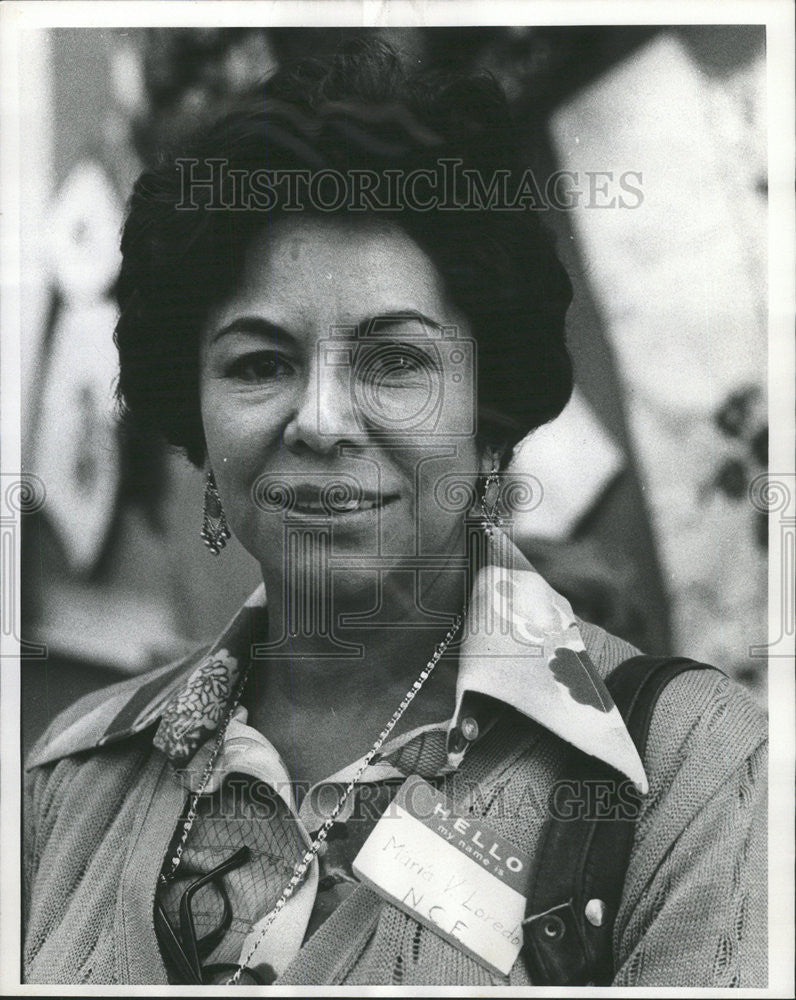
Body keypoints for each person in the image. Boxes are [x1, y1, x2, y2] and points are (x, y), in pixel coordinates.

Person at [23, 40, 767, 987]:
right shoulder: (70, 779)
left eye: (394, 360)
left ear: (488, 417)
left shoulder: (695, 775)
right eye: (261, 363)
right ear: (198, 422)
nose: (322, 421)